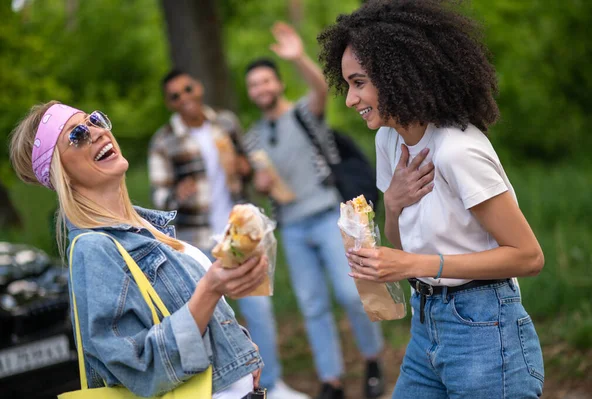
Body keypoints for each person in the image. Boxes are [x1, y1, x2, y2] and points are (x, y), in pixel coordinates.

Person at [317, 1, 546, 398]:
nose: (351, 99)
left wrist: (414, 264)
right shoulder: (388, 140)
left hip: (484, 326)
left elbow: (528, 257)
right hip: (426, 323)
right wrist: (392, 203)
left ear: (396, 75)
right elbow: (403, 244)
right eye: (348, 84)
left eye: (359, 82)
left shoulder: (457, 151)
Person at [9, 101, 269, 397]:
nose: (96, 133)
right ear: (61, 173)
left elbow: (184, 319)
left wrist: (237, 344)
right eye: (77, 134)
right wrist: (210, 289)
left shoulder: (147, 226)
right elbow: (141, 366)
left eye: (94, 120)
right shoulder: (94, 249)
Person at [244, 22, 386, 399]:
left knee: (351, 293)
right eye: (253, 85)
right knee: (312, 306)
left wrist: (298, 57)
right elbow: (259, 179)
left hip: (327, 216)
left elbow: (321, 88)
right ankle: (331, 380)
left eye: (265, 81)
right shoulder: (252, 136)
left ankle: (372, 359)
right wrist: (259, 184)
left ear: (277, 83)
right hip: (290, 226)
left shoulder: (305, 114)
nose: (260, 89)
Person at [148, 70, 309, 399]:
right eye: (175, 96)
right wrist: (179, 193)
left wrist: (246, 168)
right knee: (211, 318)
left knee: (259, 311)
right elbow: (159, 200)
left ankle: (272, 385)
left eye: (188, 89)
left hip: (238, 235)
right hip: (196, 243)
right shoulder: (164, 140)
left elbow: (249, 166)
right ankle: (226, 390)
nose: (184, 98)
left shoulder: (225, 122)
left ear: (199, 87)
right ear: (169, 103)